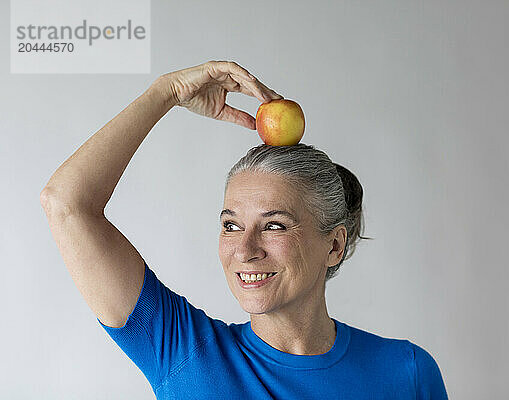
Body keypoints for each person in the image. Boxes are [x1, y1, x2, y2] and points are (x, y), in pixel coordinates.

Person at [40, 60, 448, 399]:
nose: (245, 249)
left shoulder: (407, 373)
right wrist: (167, 92)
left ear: (334, 245)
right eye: (231, 225)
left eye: (273, 225)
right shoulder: (184, 354)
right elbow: (65, 203)